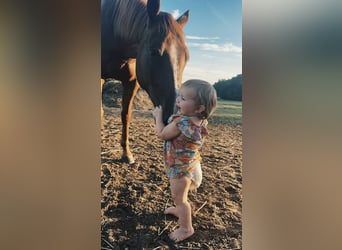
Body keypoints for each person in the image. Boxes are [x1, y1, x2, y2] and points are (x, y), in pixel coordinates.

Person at [152, 79, 217, 242]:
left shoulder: (181, 123)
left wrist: (158, 116)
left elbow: (161, 134)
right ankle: (179, 210)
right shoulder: (200, 120)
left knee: (180, 198)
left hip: (181, 170)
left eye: (183, 98)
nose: (178, 100)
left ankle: (186, 228)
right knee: (181, 198)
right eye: (179, 96)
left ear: (199, 108)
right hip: (192, 165)